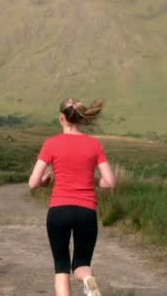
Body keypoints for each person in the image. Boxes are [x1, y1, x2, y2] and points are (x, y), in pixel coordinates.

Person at [28, 98, 116, 296]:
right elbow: (110, 182)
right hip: (86, 212)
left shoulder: (51, 144)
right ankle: (89, 284)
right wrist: (90, 181)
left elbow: (32, 183)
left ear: (61, 118)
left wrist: (44, 181)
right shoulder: (94, 144)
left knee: (61, 268)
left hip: (59, 211)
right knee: (82, 265)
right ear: (80, 119)